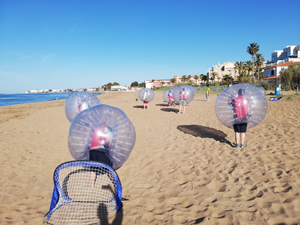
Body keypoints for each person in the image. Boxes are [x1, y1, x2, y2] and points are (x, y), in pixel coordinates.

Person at [89, 123, 114, 187]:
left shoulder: (95, 130)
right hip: (102, 151)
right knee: (109, 167)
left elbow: (90, 141)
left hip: (92, 151)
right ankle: (114, 182)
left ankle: (92, 185)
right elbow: (110, 144)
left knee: (93, 169)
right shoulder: (109, 132)